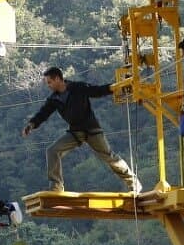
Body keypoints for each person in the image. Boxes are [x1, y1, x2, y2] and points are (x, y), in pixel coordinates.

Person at [21, 66, 141, 194]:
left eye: (49, 82)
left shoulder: (77, 87)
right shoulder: (54, 99)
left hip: (91, 130)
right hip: (75, 132)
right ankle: (56, 186)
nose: (48, 86)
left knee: (110, 157)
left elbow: (96, 91)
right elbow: (43, 113)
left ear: (57, 79)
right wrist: (31, 125)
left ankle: (134, 183)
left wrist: (115, 87)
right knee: (52, 151)